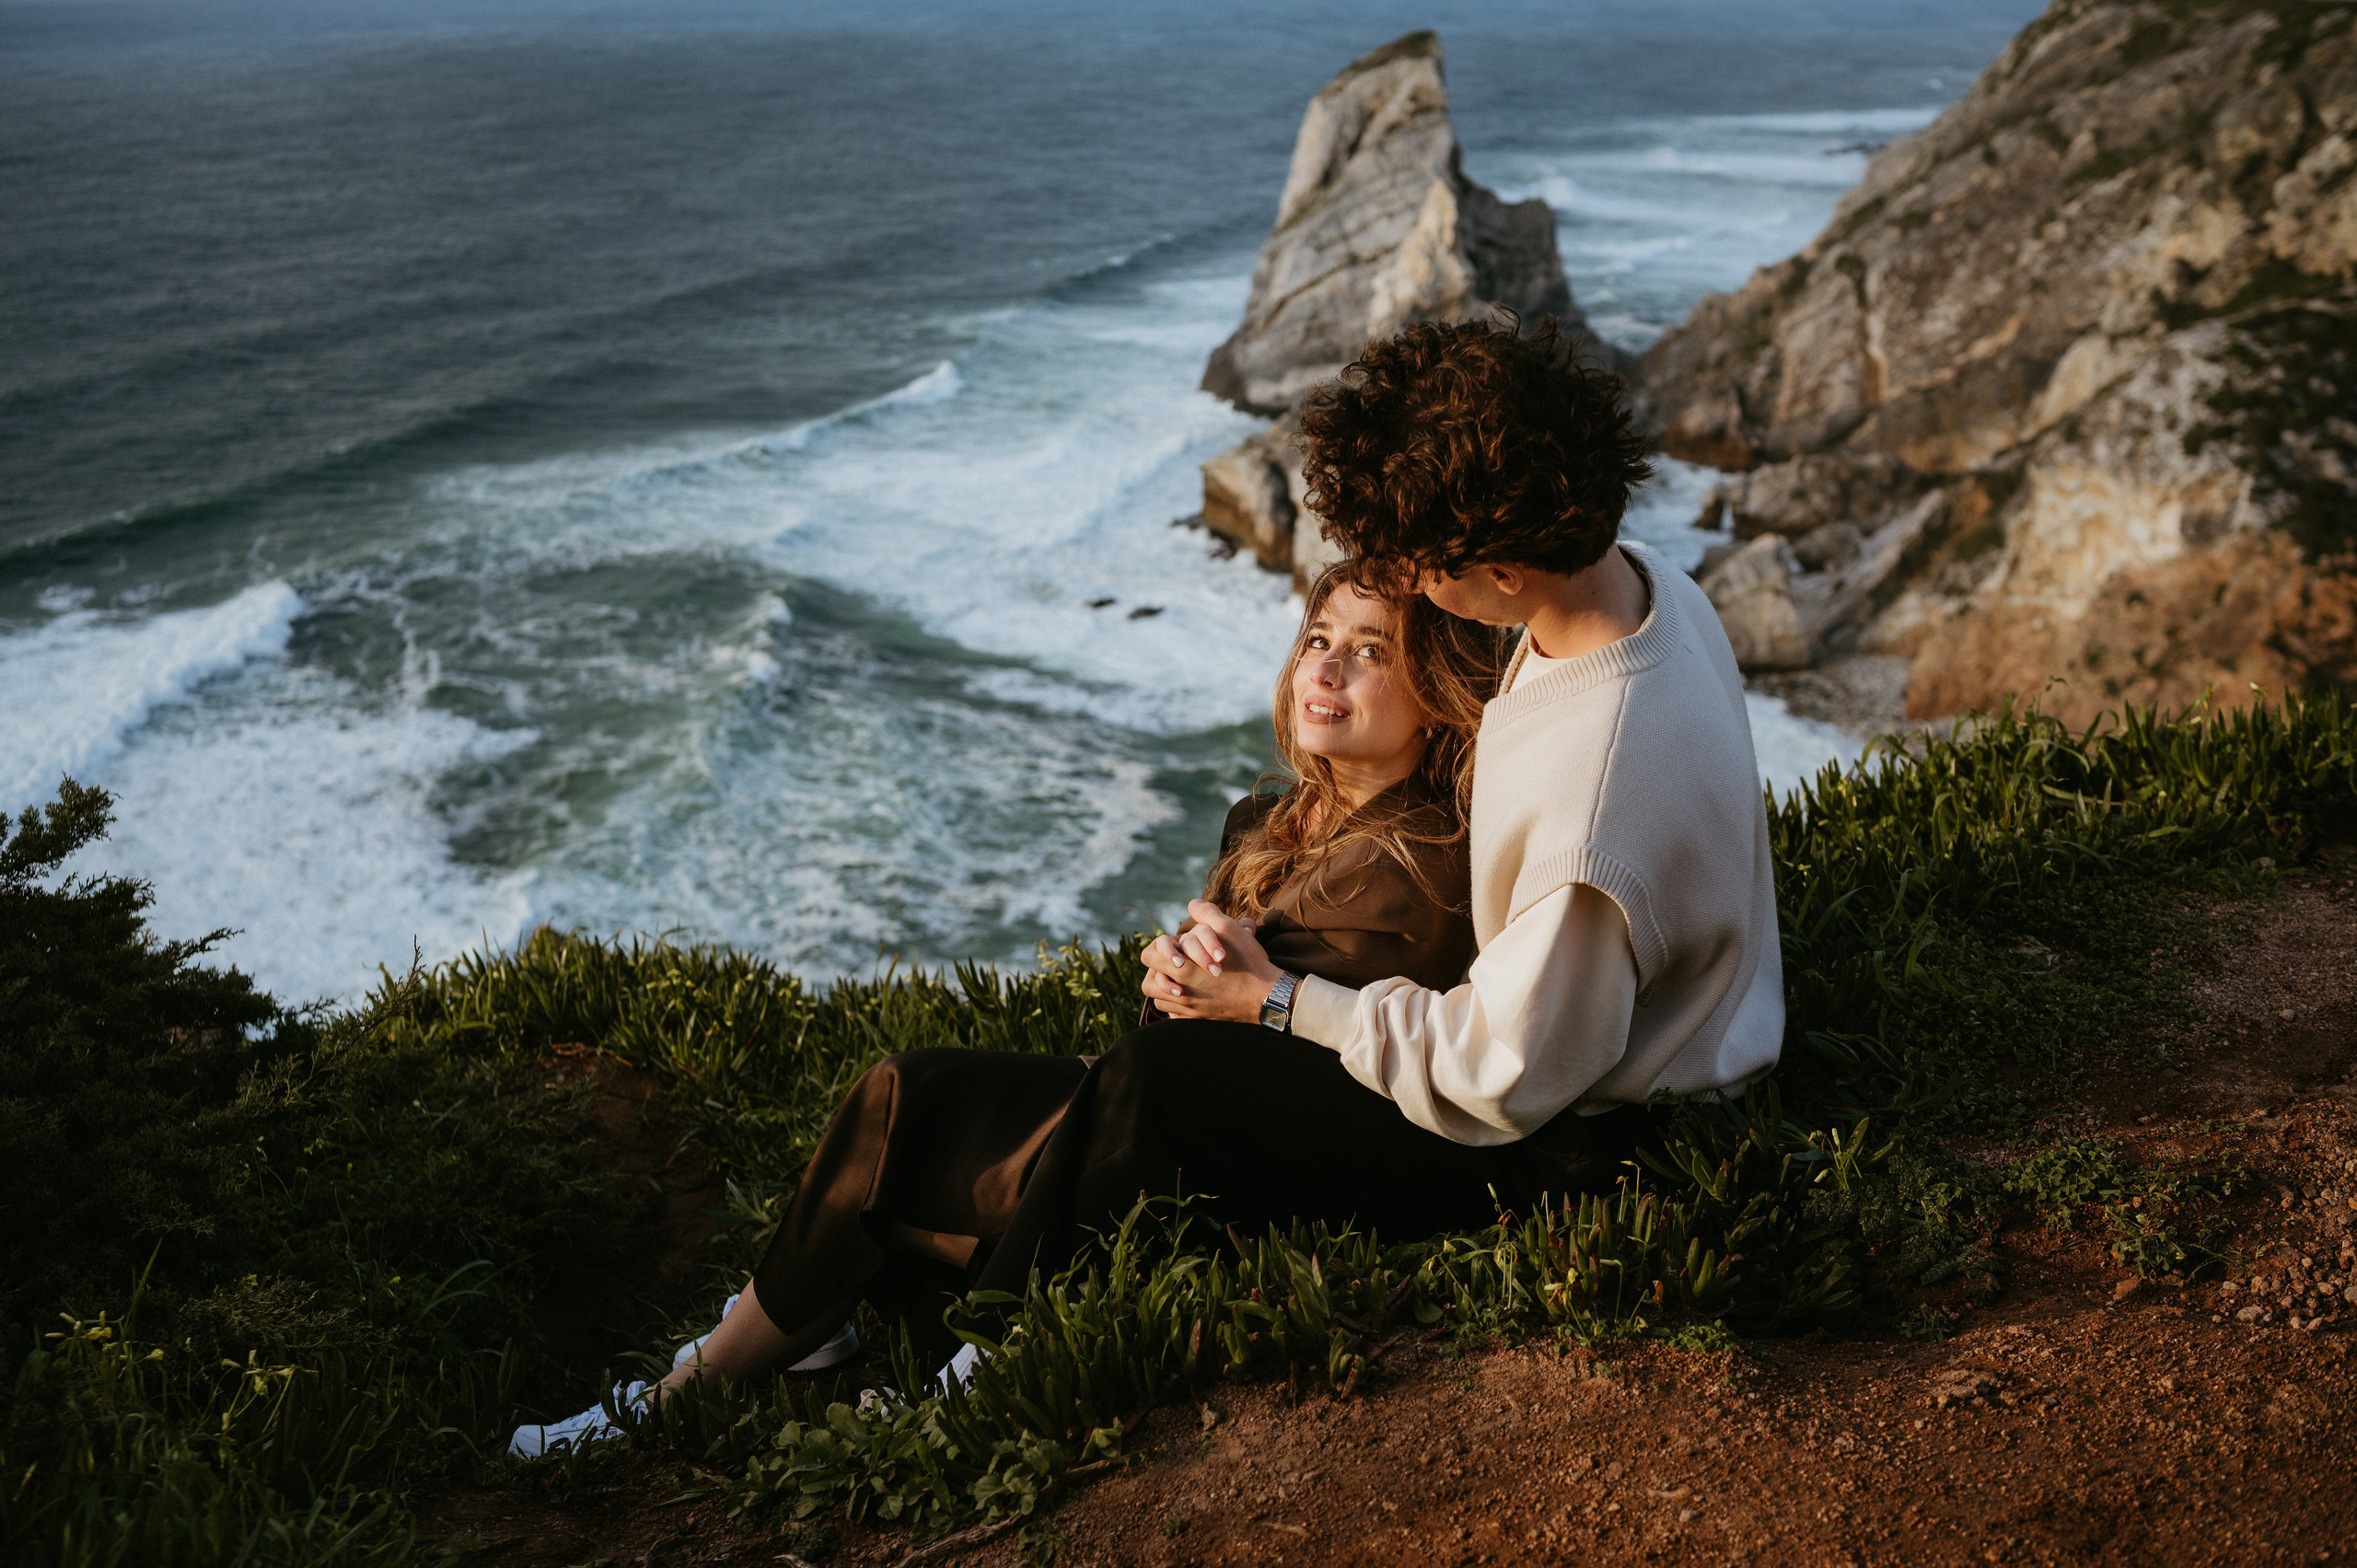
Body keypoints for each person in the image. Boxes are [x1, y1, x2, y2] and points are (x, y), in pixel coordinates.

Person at [509, 562, 1504, 1453]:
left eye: (1372, 651)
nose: (1327, 671)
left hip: (1255, 1177)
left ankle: (774, 1368)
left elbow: (1258, 1070)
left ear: (1436, 692)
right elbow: (1191, 1010)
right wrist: (1175, 975)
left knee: (922, 1167)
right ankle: (769, 1342)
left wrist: (1204, 987)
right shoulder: (1271, 816)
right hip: (1155, 1111)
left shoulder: (1420, 866)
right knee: (910, 1088)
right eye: (1319, 640)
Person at [968, 315, 1784, 1307]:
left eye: (1418, 564)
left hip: (1588, 1148)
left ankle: (990, 1347)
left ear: (1501, 572)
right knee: (1175, 1054)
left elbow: (1499, 1075)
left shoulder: (1594, 796)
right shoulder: (1652, 585)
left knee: (1170, 1078)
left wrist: (1273, 999)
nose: (1403, 581)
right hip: (1657, 1033)